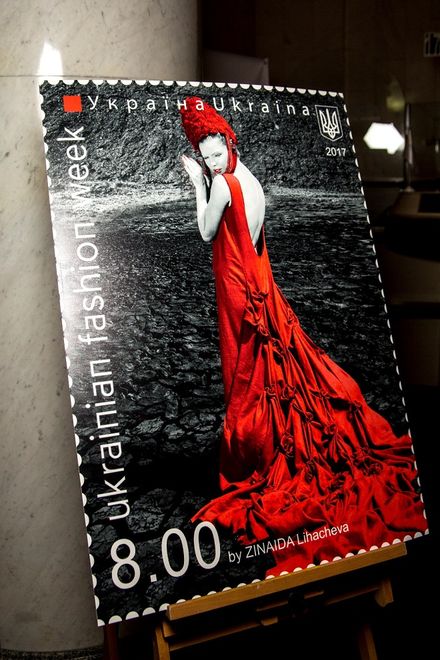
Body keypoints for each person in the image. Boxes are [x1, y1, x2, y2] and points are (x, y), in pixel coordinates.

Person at [180, 97, 427, 573]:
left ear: (228, 141)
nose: (212, 161)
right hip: (258, 282)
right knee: (270, 371)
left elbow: (207, 232)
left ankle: (253, 453)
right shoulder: (249, 177)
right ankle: (264, 441)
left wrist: (198, 183)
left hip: (238, 288)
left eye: (216, 152)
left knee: (246, 373)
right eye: (204, 156)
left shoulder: (224, 183)